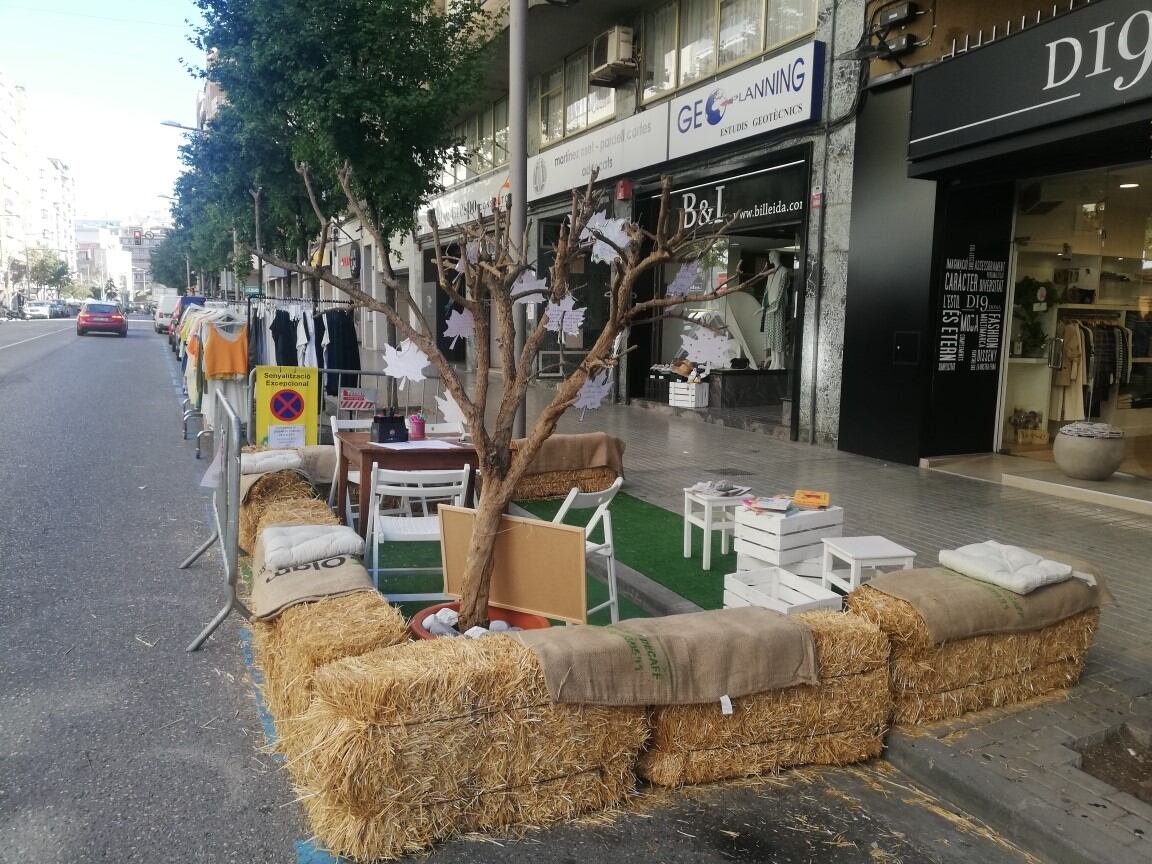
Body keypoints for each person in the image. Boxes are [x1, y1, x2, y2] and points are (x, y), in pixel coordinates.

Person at [759, 251, 790, 369]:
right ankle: (773, 361)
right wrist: (763, 305)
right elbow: (766, 291)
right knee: (770, 334)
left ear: (775, 256)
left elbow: (782, 289)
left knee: (777, 333)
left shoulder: (784, 271)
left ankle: (779, 362)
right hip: (769, 307)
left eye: (770, 256)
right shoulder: (770, 273)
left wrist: (777, 305)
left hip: (778, 306)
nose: (769, 258)